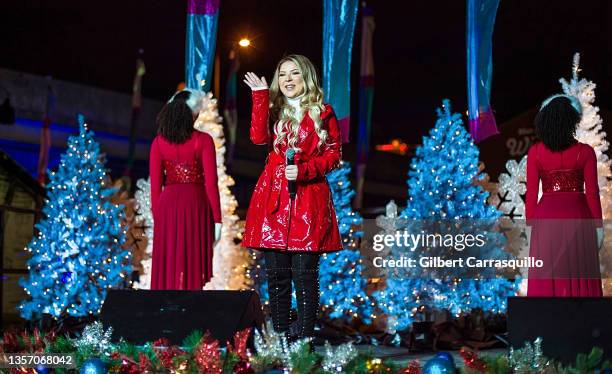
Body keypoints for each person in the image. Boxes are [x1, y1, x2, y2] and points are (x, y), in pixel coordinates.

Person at [242, 55, 343, 341]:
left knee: (305, 276)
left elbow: (334, 155)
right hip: (273, 198)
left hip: (308, 199)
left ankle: (305, 341)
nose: (287, 79)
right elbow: (258, 138)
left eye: (294, 73)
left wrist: (304, 170)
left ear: (306, 77)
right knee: (277, 277)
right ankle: (281, 339)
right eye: (282, 74)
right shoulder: (274, 110)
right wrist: (260, 97)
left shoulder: (323, 113)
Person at [526, 94, 604, 297]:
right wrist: (597, 226)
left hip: (546, 219)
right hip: (578, 216)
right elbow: (592, 193)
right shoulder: (585, 152)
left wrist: (529, 226)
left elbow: (532, 193)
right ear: (572, 120)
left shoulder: (535, 153)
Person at [149, 89, 222, 290]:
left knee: (168, 265)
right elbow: (211, 183)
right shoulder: (203, 140)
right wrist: (217, 219)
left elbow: (155, 186)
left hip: (167, 207)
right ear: (193, 114)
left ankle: (166, 312)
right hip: (195, 205)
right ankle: (191, 312)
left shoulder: (158, 143)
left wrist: (158, 218)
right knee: (193, 264)